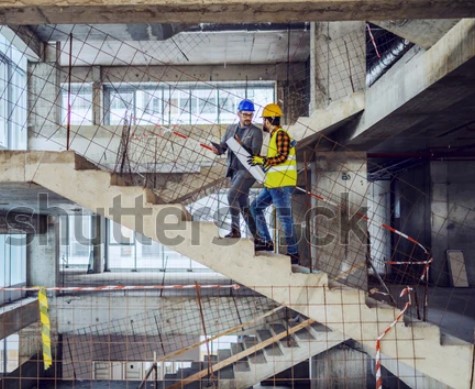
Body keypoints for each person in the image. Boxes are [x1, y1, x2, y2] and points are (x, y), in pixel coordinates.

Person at [248, 103, 300, 264]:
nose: (263, 122)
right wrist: (261, 163)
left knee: (285, 219)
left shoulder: (280, 135)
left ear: (270, 119)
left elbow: (282, 157)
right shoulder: (273, 137)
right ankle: (266, 241)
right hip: (273, 185)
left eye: (264, 119)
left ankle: (293, 253)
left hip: (282, 185)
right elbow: (274, 161)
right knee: (255, 207)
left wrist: (262, 160)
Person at [210, 99, 263, 238]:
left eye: (250, 115)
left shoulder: (256, 132)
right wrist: (218, 150)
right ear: (239, 114)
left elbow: (255, 155)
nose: (248, 118)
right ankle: (258, 236)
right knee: (243, 204)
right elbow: (223, 147)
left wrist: (241, 145)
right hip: (234, 171)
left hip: (248, 171)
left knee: (231, 195)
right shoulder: (231, 129)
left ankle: (235, 230)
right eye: (245, 114)